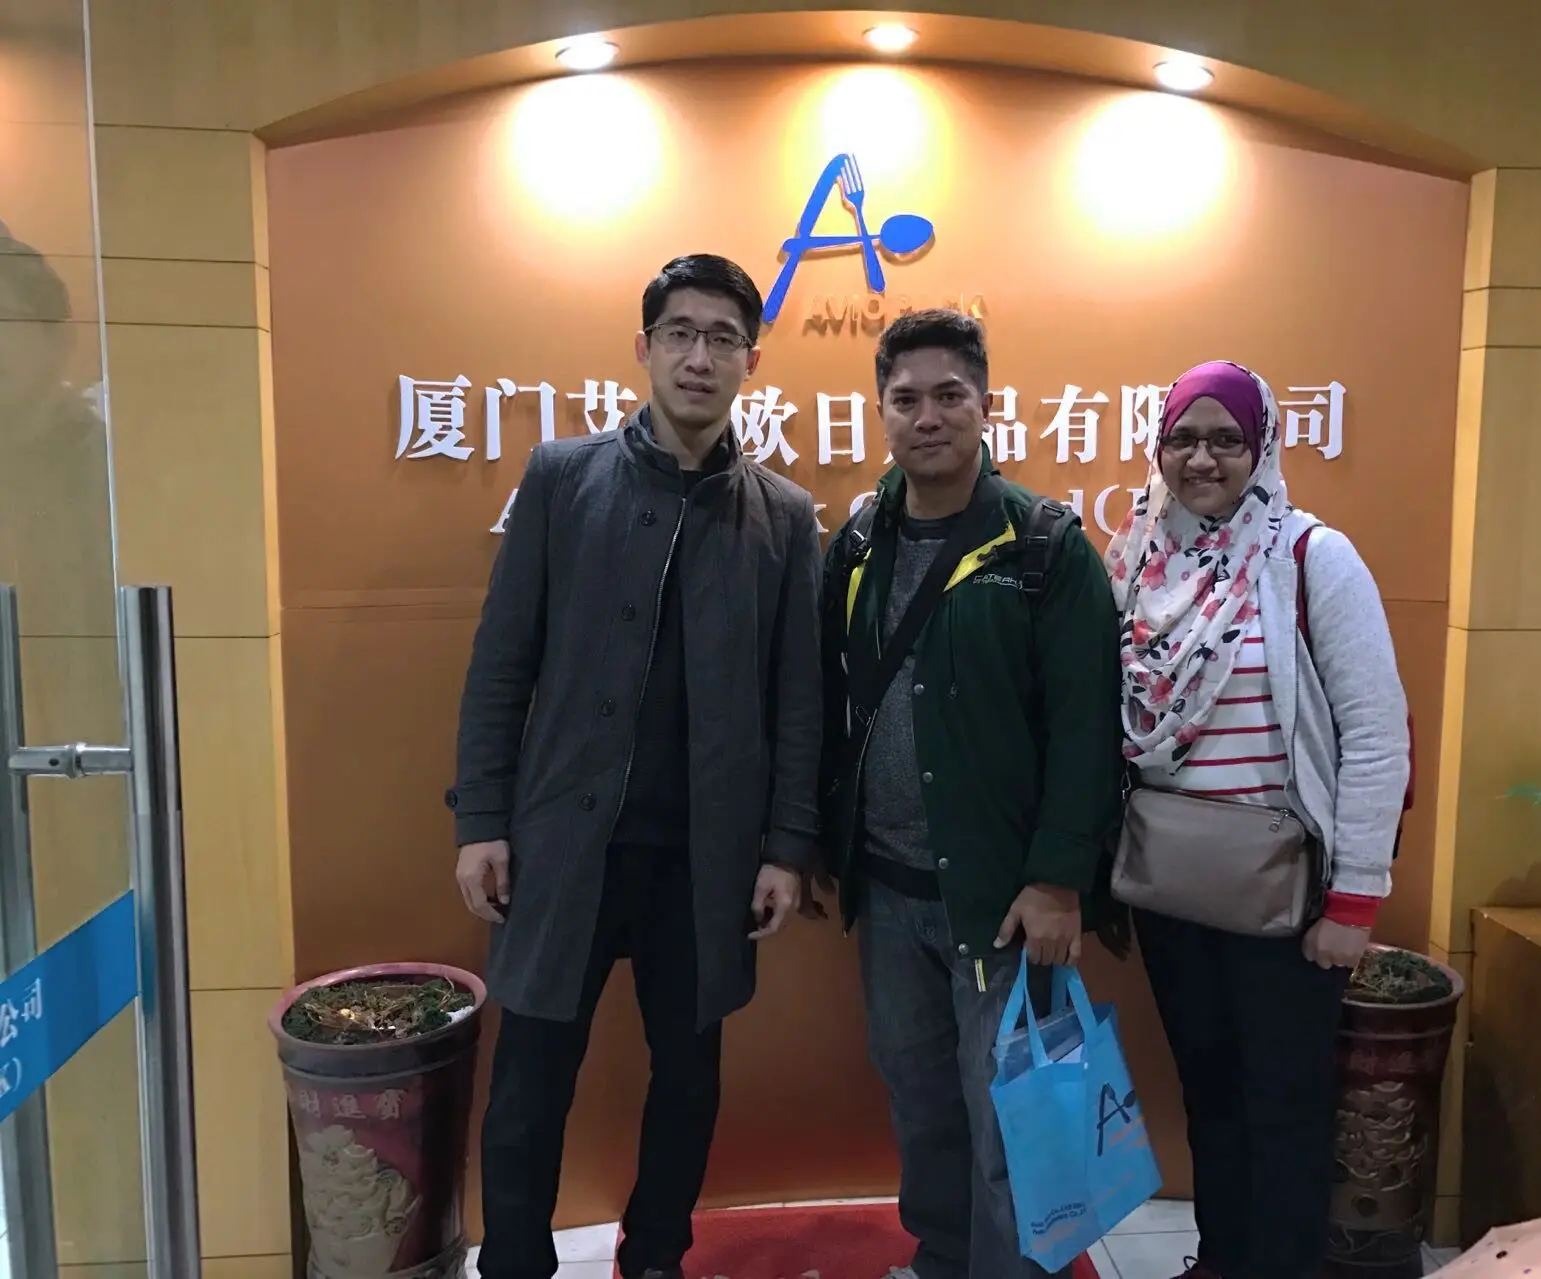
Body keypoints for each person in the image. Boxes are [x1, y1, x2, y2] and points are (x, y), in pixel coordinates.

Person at [448, 254, 824, 1279]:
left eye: (722, 338)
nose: (699, 357)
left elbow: (799, 699)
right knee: (530, 1083)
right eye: (679, 333)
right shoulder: (562, 479)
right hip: (561, 844)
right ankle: (514, 1262)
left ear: (751, 361)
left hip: (703, 857)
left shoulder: (783, 515)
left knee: (689, 1081)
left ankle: (655, 1254)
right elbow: (501, 661)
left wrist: (787, 846)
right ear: (645, 348)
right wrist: (481, 819)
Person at [819, 309, 1124, 1279]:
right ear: (880, 411)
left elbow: (1088, 726)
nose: (928, 416)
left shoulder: (1043, 545)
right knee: (921, 1103)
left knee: (1013, 1125)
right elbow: (828, 699)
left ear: (986, 405)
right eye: (905, 398)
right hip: (888, 891)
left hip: (1001, 900)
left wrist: (1058, 880)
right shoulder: (858, 541)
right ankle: (942, 1258)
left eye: (949, 394)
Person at [1101, 360, 1410, 1279]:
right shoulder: (1138, 559)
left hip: (1286, 894)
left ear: (1261, 445)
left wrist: (1354, 901)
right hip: (1173, 888)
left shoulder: (1312, 557)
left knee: (1284, 1108)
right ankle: (1223, 1259)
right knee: (1212, 1097)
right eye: (1183, 439)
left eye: (1226, 439)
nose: (1202, 459)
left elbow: (1377, 735)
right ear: (1160, 447)